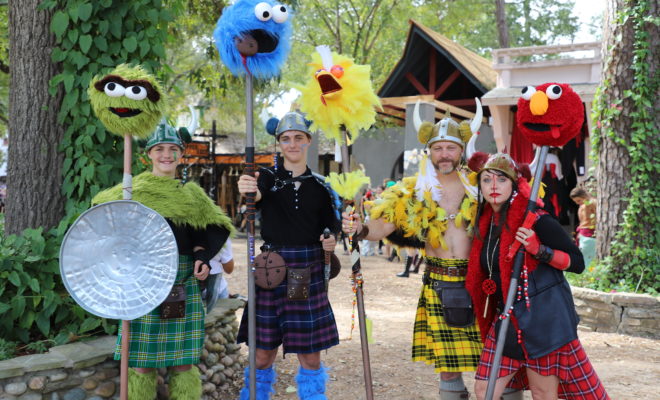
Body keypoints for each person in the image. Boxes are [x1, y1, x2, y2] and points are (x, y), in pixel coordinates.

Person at [342, 108, 503, 399]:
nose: (444, 154)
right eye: (438, 148)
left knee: (493, 362)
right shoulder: (414, 190)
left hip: (481, 283)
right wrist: (361, 229)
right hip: (440, 284)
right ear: (429, 152)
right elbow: (382, 225)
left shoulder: (481, 187)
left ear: (461, 150)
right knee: (449, 367)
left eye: (450, 148)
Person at [92, 121, 235, 399]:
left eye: (172, 149)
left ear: (181, 154)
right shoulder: (132, 190)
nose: (166, 155)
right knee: (142, 364)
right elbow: (103, 215)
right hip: (141, 279)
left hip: (181, 280)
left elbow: (208, 230)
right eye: (160, 149)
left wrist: (202, 258)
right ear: (148, 154)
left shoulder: (191, 195)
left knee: (182, 363)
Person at [464, 152, 608, 400]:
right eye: (487, 180)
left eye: (502, 179)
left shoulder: (538, 221)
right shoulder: (484, 223)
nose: (494, 186)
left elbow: (577, 263)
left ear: (514, 184)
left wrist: (538, 250)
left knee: (543, 393)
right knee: (484, 389)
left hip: (542, 321)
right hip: (506, 319)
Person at [236, 111, 341, 400]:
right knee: (261, 355)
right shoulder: (267, 177)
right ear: (279, 144)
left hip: (309, 270)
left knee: (310, 358)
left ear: (308, 141)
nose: (292, 144)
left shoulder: (322, 186)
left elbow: (332, 224)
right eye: (285, 139)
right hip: (271, 269)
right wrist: (249, 189)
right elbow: (255, 194)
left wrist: (331, 239)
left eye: (298, 138)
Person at [569, 187, 596, 267]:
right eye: (576, 202)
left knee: (586, 259)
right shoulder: (583, 205)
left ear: (584, 196)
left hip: (590, 234)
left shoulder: (592, 203)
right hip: (584, 233)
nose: (577, 203)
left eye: (579, 200)